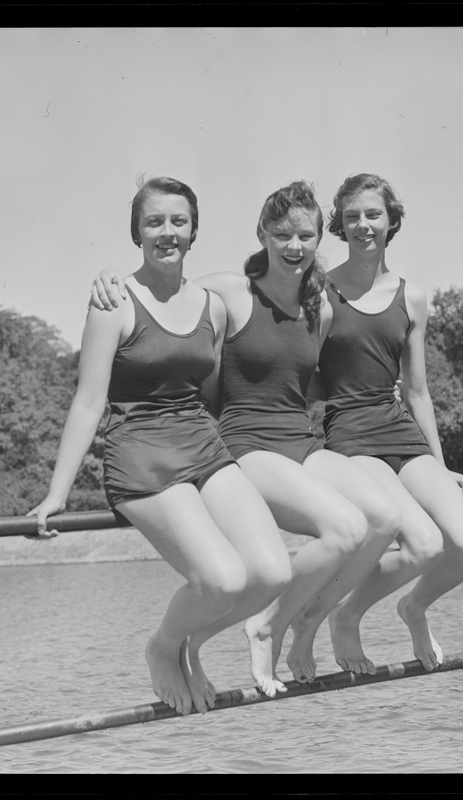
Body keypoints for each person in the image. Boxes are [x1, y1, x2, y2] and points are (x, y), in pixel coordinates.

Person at [92, 181, 402, 696]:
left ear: (319, 238)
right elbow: (166, 288)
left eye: (305, 235)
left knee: (384, 518)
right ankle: (268, 625)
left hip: (299, 439)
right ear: (261, 233)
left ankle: (308, 623)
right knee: (343, 528)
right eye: (281, 234)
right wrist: (107, 277)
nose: (293, 246)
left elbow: (305, 379)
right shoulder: (228, 290)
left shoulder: (318, 309)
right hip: (245, 442)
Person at [29, 177, 291, 717]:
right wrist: (57, 493)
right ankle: (162, 647)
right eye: (154, 222)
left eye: (178, 221)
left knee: (272, 573)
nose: (167, 232)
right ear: (137, 232)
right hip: (141, 454)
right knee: (221, 579)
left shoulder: (213, 308)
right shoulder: (114, 302)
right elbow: (87, 401)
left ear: (194, 231)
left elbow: (212, 394)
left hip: (202, 445)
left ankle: (190, 642)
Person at [296, 172, 463, 675]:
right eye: (352, 216)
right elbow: (301, 376)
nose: (363, 225)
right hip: (350, 437)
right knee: (423, 544)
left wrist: (442, 467)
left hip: (399, 428)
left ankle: (414, 607)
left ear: (391, 220)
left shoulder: (412, 296)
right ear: (339, 223)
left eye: (373, 214)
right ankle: (347, 615)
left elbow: (418, 391)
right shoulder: (320, 291)